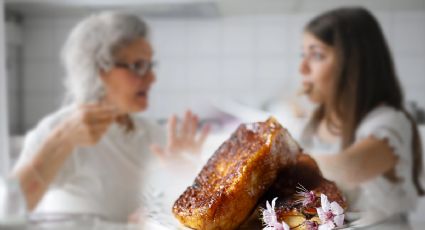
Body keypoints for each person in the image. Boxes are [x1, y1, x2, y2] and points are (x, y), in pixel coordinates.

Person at [11, 11, 209, 222]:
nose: (152, 77)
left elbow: (168, 215)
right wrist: (61, 141)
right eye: (138, 66)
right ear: (98, 69)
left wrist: (185, 177)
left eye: (150, 65)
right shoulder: (58, 130)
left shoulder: (154, 136)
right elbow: (11, 209)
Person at [297, 7, 424, 226]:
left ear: (354, 65)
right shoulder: (315, 122)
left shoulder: (390, 123)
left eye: (316, 55)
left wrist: (279, 161)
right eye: (303, 55)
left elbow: (348, 169)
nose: (302, 68)